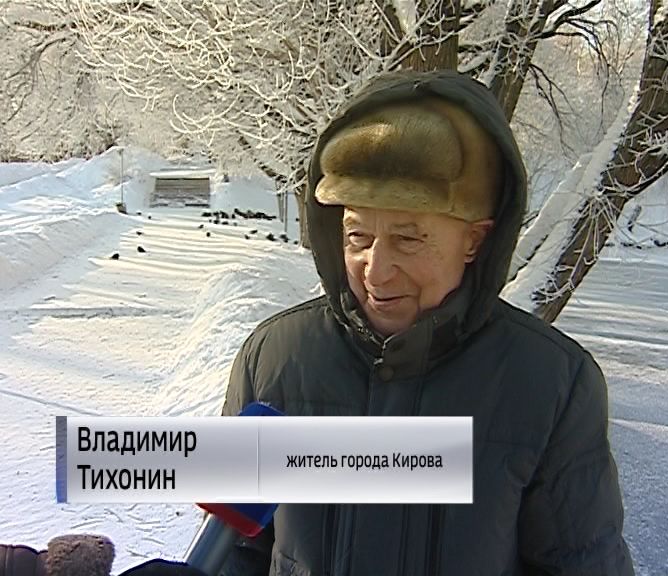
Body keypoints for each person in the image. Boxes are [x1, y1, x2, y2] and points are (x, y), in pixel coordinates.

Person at [220, 70, 634, 576]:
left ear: (475, 240)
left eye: (408, 239)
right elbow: (234, 551)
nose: (375, 270)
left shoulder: (553, 384)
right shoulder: (273, 359)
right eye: (357, 236)